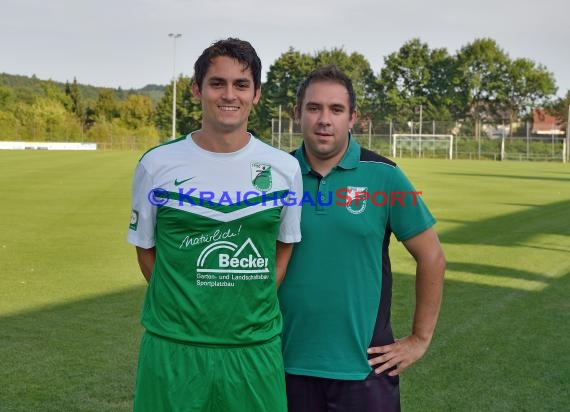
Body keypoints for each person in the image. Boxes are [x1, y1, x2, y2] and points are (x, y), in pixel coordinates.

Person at [127, 38, 302, 412]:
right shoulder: (156, 165)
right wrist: (185, 302)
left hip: (253, 349)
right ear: (197, 89)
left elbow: (285, 244)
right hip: (173, 347)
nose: (229, 94)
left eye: (241, 85)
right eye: (217, 83)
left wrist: (252, 300)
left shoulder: (284, 169)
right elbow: (145, 248)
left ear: (256, 94)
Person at [278, 66, 446, 412]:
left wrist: (419, 340)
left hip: (365, 369)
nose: (324, 119)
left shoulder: (384, 176)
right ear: (297, 114)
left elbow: (432, 256)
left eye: (336, 109)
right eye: (314, 108)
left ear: (353, 117)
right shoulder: (275, 174)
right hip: (283, 363)